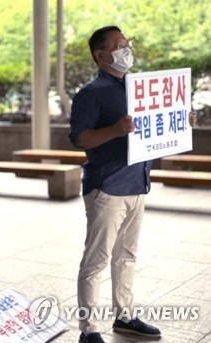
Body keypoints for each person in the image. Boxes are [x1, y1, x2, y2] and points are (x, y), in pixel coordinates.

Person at [69, 26, 195, 343]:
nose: (126, 49)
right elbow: (81, 139)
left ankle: (124, 317)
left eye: (126, 43)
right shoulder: (91, 93)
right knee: (95, 261)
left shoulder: (141, 89)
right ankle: (89, 330)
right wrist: (114, 130)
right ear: (101, 55)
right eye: (118, 45)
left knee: (126, 257)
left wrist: (181, 120)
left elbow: (156, 130)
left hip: (137, 183)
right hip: (106, 187)